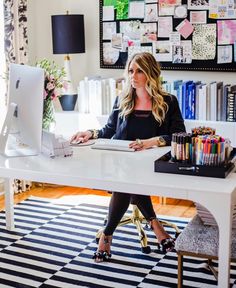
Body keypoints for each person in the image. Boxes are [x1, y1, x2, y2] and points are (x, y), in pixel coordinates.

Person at [71, 52, 186, 262]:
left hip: (152, 165)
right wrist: (90, 133)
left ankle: (107, 235)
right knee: (126, 180)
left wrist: (150, 142)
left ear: (150, 73)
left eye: (139, 71)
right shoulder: (123, 100)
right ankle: (156, 226)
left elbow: (178, 135)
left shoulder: (168, 102)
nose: (133, 76)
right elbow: (108, 129)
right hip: (123, 164)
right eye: (131, 71)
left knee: (126, 183)